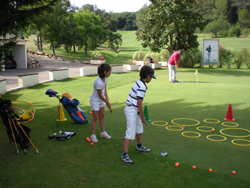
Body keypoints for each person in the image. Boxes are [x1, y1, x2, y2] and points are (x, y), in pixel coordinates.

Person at [121, 65, 156, 164]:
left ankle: (139, 146)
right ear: (148, 77)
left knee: (139, 129)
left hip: (134, 110)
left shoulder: (139, 82)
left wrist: (140, 115)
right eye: (151, 77)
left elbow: (138, 103)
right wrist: (143, 116)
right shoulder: (142, 86)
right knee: (130, 132)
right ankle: (124, 154)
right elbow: (139, 103)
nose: (151, 79)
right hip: (131, 110)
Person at [90, 63, 112, 143]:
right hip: (95, 100)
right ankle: (93, 135)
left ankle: (103, 132)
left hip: (101, 99)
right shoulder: (98, 82)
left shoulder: (105, 78)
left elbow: (105, 89)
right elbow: (99, 95)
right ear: (104, 72)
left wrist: (107, 98)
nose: (110, 73)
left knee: (102, 116)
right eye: (109, 72)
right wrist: (106, 101)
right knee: (95, 117)